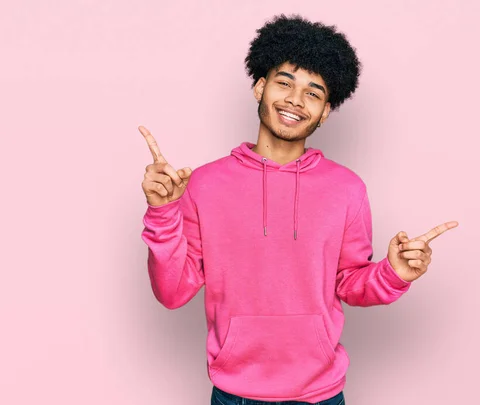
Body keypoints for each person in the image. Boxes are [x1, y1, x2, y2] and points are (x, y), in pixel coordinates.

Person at [140, 14, 458, 405]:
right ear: (260, 87)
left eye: (313, 92)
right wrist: (162, 213)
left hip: (320, 395)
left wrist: (394, 274)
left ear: (325, 111)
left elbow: (350, 282)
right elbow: (171, 292)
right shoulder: (203, 185)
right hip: (234, 393)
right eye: (284, 82)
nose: (294, 99)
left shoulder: (347, 189)